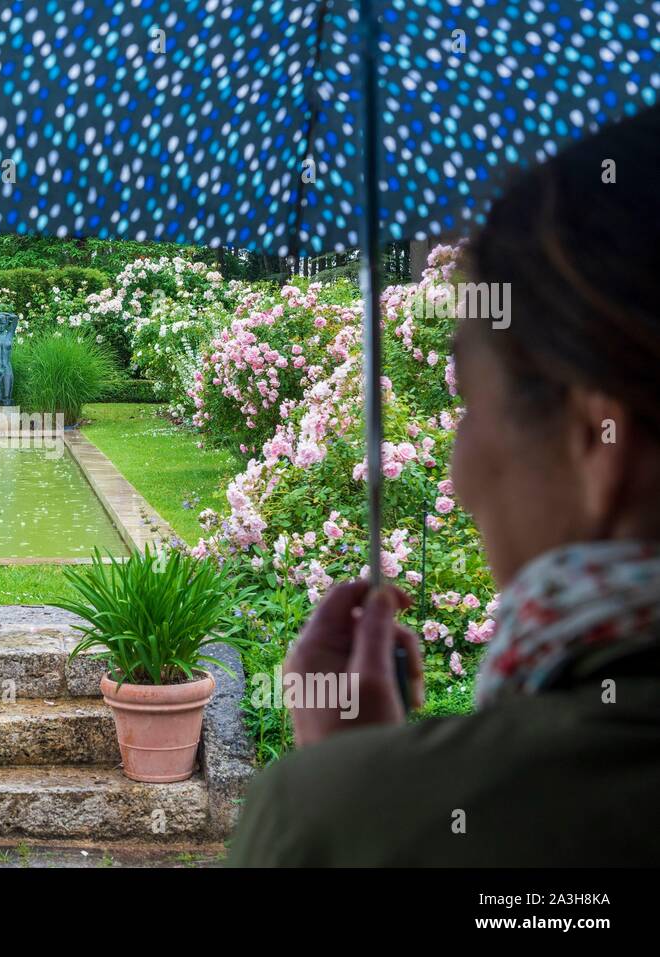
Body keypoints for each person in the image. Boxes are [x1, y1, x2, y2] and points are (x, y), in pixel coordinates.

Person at [229, 105, 660, 866]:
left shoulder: (329, 823)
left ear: (598, 440)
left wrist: (353, 798)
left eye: (470, 406)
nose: (458, 479)